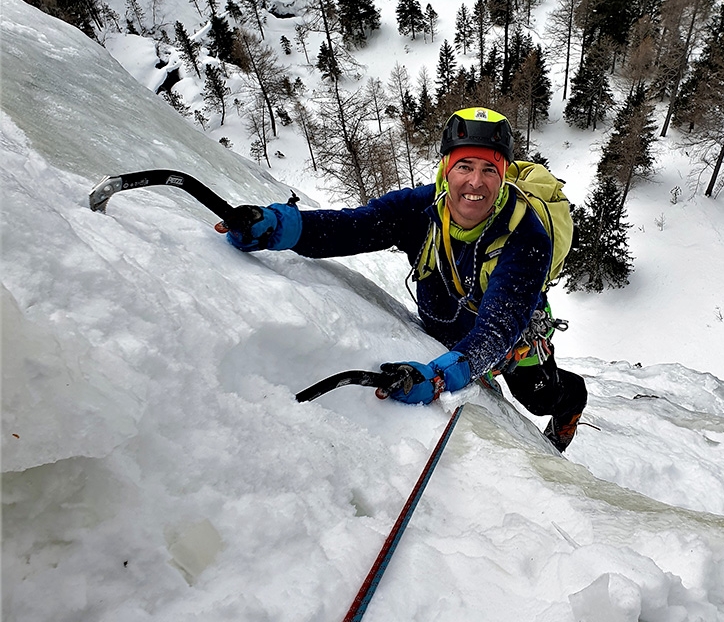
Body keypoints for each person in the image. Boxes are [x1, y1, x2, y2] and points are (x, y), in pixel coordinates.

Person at [222, 107, 587, 452]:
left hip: (512, 341)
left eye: (489, 170)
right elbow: (352, 228)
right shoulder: (419, 210)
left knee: (538, 398)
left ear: (503, 176)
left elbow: (498, 330)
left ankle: (572, 400)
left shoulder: (527, 237)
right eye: (464, 166)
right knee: (468, 355)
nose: (476, 182)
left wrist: (443, 377)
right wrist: (279, 227)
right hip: (449, 331)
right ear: (446, 169)